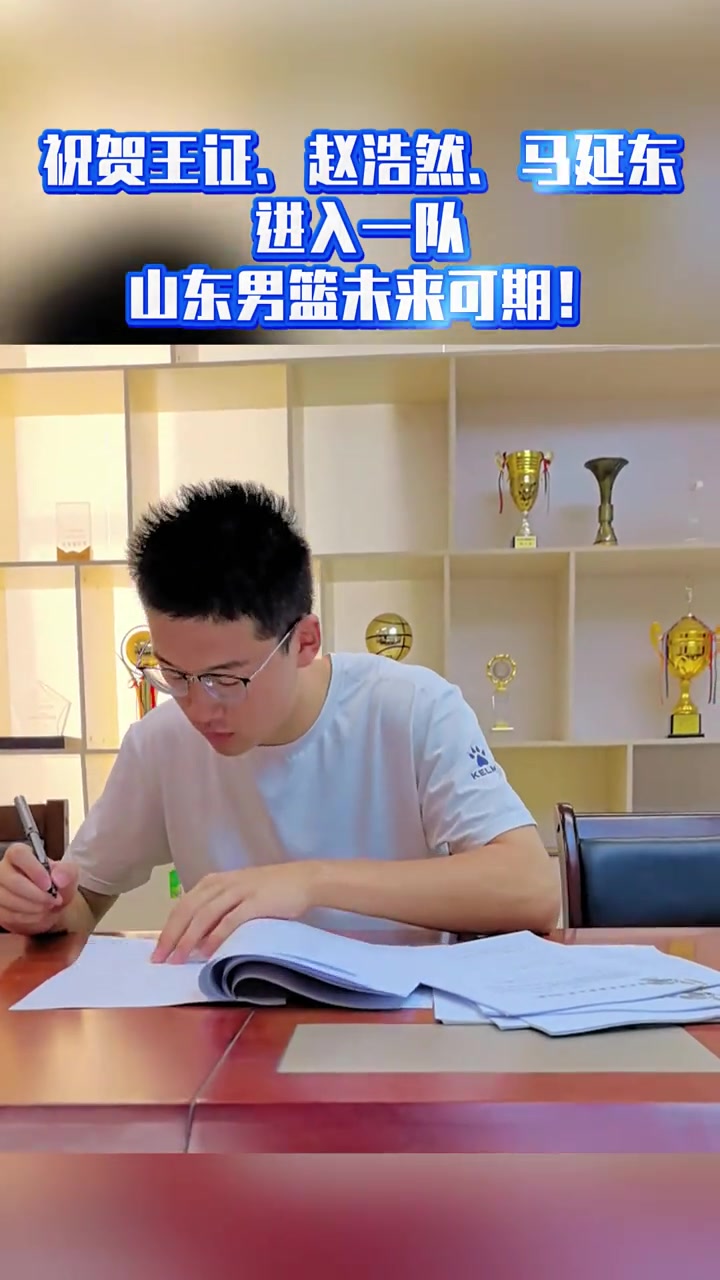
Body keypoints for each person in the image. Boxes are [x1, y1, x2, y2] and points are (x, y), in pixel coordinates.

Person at [0, 480, 560, 961]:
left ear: (304, 642)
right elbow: (82, 904)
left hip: (400, 1023)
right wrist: (43, 907)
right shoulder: (160, 742)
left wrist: (311, 882)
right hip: (231, 1021)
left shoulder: (411, 708)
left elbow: (531, 889)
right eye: (174, 674)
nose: (199, 707)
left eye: (226, 678)